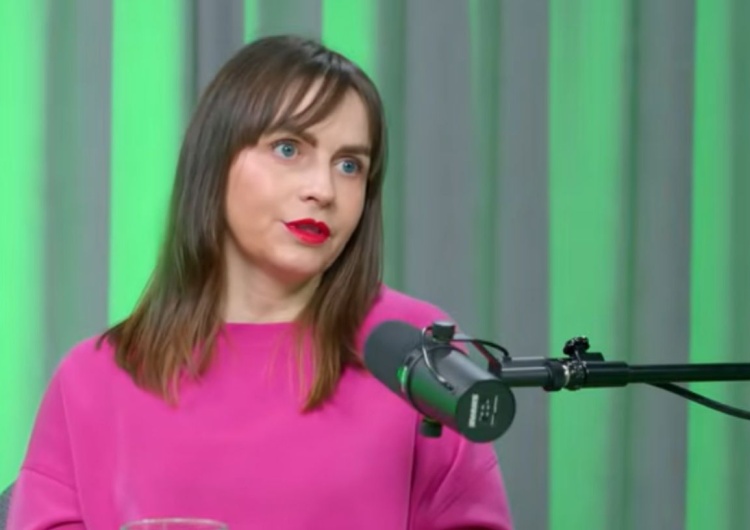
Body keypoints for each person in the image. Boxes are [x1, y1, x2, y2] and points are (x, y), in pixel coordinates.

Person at [8, 35, 513, 529]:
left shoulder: (414, 357)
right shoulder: (94, 380)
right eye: (288, 149)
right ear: (215, 162)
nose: (323, 189)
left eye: (349, 165)